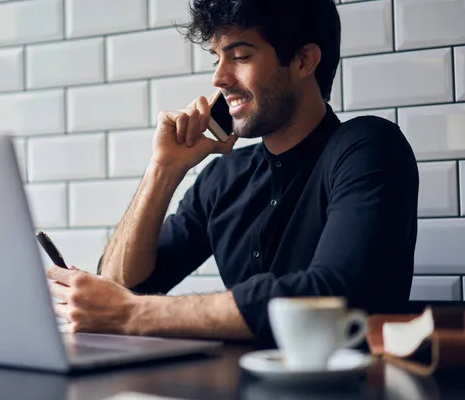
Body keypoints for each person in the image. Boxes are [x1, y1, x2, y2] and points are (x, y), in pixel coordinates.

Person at [46, 0, 419, 345]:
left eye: (239, 56)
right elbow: (121, 284)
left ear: (304, 61)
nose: (219, 78)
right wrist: (163, 170)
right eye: (215, 60)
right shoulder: (223, 178)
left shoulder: (368, 147)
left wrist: (130, 314)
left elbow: (332, 295)